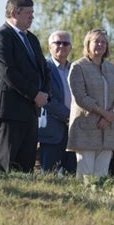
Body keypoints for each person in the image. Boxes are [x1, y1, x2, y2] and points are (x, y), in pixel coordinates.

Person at [0, 0, 51, 173]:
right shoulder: (0, 37)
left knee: (26, 166)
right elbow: (8, 72)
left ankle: (23, 200)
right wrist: (34, 94)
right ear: (15, 12)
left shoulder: (31, 39)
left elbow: (44, 70)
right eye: (29, 13)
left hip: (30, 110)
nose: (32, 17)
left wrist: (44, 93)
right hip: (8, 111)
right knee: (5, 165)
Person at [67, 29, 114, 181]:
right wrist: (104, 113)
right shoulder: (78, 67)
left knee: (102, 175)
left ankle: (102, 203)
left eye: (103, 42)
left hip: (109, 128)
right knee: (86, 174)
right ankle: (84, 203)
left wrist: (112, 113)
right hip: (86, 127)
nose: (100, 44)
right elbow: (81, 97)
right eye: (96, 41)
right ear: (88, 44)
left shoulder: (112, 69)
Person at [38, 30, 76, 174]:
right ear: (50, 47)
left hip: (74, 132)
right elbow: (46, 98)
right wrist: (68, 116)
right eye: (57, 43)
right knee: (48, 176)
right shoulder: (43, 68)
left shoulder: (76, 69)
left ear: (70, 47)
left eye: (65, 43)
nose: (62, 46)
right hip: (51, 131)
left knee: (71, 177)